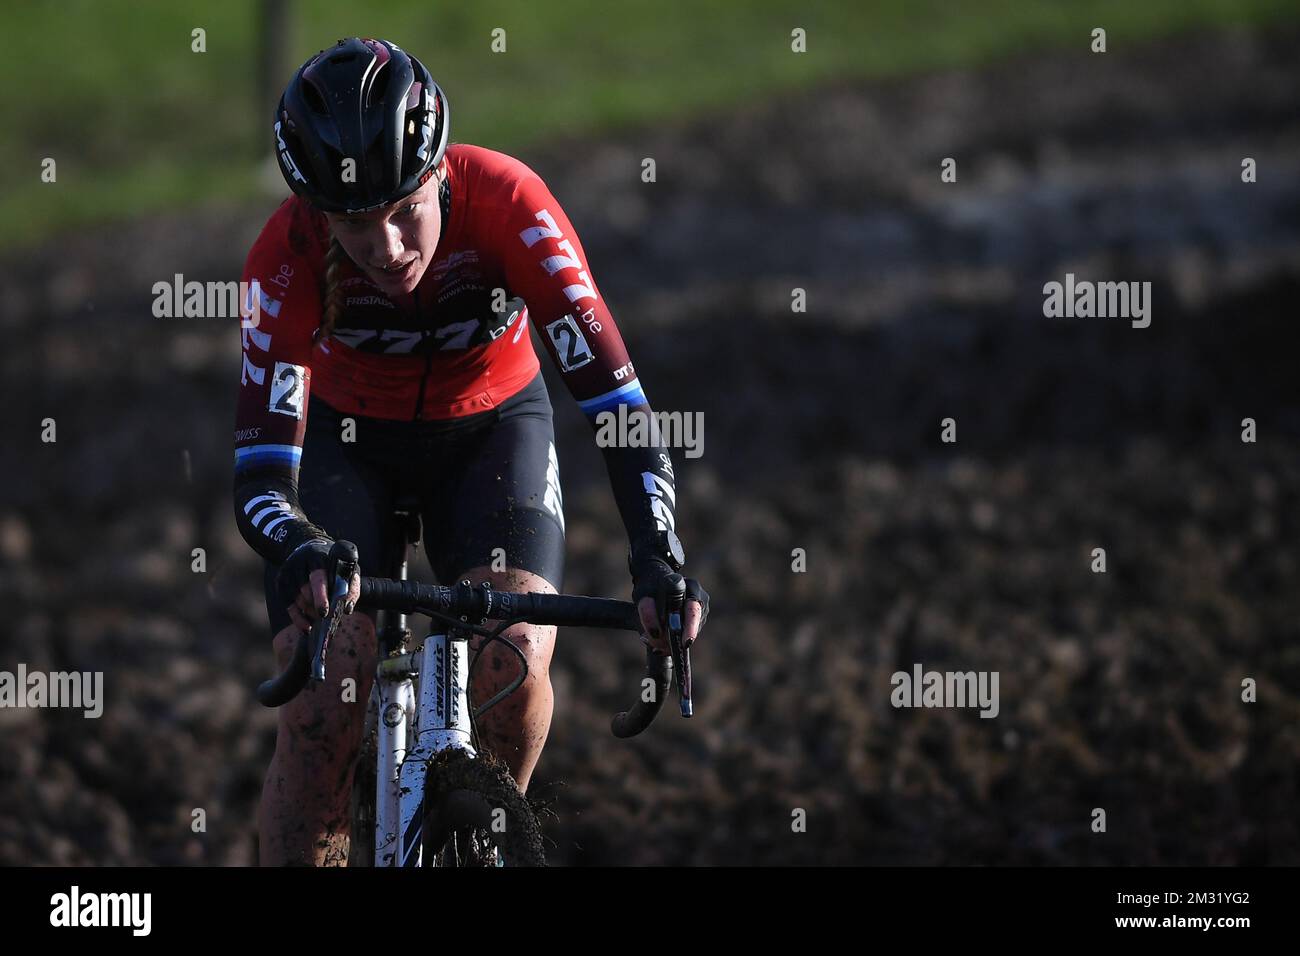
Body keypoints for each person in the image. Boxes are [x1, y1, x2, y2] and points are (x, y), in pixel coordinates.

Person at [233, 37, 709, 866]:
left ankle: (480, 837)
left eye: (402, 210)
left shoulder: (511, 205)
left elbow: (616, 403)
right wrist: (302, 546)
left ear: (440, 173)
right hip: (349, 450)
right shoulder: (286, 257)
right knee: (322, 702)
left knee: (514, 665)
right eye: (354, 221)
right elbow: (262, 476)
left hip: (490, 434)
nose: (385, 247)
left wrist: (658, 554)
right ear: (317, 213)